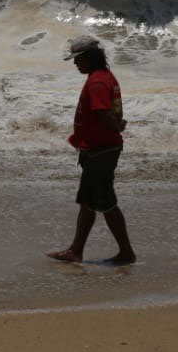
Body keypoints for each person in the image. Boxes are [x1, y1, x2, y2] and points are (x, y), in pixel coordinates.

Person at [46, 35, 137, 265]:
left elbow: (102, 112)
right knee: (87, 202)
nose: (75, 63)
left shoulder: (96, 82)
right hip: (100, 148)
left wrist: (115, 125)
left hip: (100, 150)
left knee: (106, 203)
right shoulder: (105, 77)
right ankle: (75, 250)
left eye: (78, 59)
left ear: (89, 57)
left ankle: (126, 253)